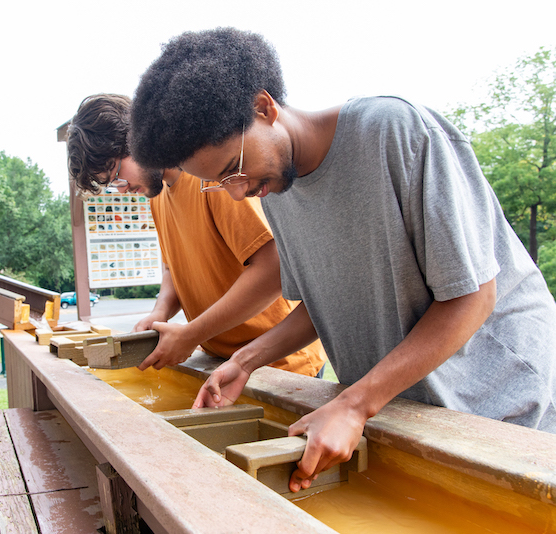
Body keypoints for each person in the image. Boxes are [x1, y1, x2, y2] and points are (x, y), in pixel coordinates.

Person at [129, 27, 556, 494]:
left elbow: (473, 296)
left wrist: (354, 405)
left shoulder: (393, 131)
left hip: (502, 402)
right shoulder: (276, 187)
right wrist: (248, 361)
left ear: (264, 108)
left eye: (232, 168)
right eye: (216, 182)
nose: (237, 191)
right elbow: (324, 299)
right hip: (409, 407)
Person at [67, 94, 325, 377]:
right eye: (111, 184)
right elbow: (175, 269)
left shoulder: (213, 177)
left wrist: (191, 334)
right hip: (222, 364)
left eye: (116, 173)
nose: (121, 188)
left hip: (279, 364)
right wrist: (160, 312)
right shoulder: (157, 196)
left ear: (136, 139)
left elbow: (275, 269)